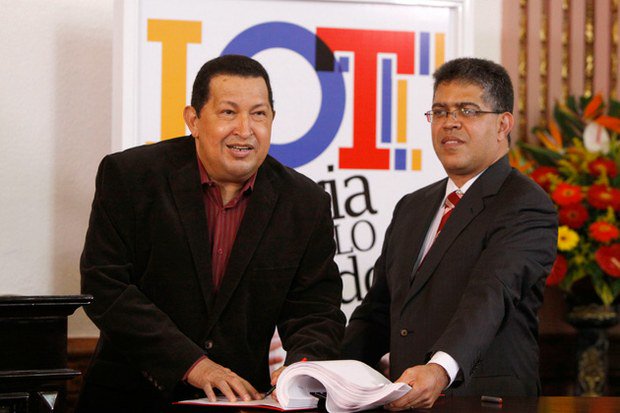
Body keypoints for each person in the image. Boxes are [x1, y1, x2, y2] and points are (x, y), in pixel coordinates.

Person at [77, 54, 345, 412]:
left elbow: (316, 309)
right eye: (228, 112)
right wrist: (194, 365)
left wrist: (302, 367)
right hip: (129, 397)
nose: (245, 130)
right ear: (194, 120)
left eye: (259, 114)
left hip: (240, 400)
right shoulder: (131, 176)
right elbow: (104, 285)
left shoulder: (305, 202)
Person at [341, 57, 558, 409]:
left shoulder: (525, 204)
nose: (450, 123)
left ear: (503, 124)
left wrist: (440, 369)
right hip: (408, 399)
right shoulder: (412, 206)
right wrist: (324, 373)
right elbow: (378, 312)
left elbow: (491, 297)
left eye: (468, 111)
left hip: (486, 401)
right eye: (440, 112)